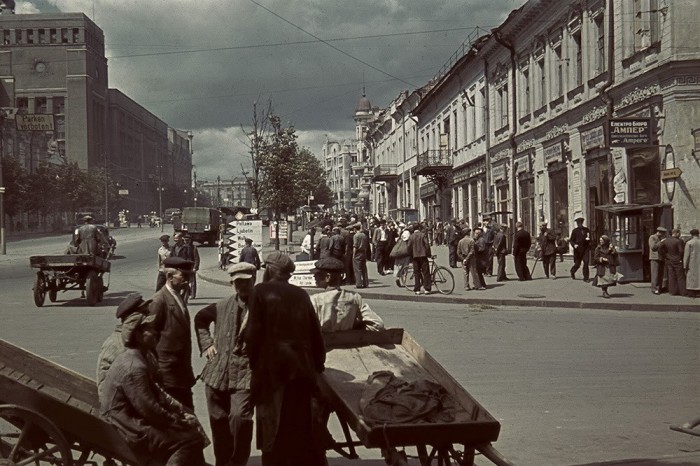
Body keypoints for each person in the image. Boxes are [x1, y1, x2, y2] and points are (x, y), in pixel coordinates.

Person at [245, 251, 327, 466]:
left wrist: (254, 364)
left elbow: (253, 333)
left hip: (271, 372)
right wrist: (317, 364)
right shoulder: (301, 294)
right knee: (297, 426)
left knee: (271, 427)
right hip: (300, 371)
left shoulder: (259, 292)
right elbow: (315, 332)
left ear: (271, 269)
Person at [100, 310, 207, 466]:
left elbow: (154, 396)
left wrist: (178, 414)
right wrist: (176, 420)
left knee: (188, 429)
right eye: (149, 329)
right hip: (127, 426)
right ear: (137, 336)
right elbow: (149, 409)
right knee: (190, 439)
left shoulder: (136, 357)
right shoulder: (134, 367)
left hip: (127, 419)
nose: (155, 332)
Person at [194, 262, 257, 466]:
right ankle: (223, 461)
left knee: (240, 418)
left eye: (246, 282)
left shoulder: (264, 307)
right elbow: (201, 319)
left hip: (246, 373)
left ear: (254, 281)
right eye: (238, 283)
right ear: (232, 284)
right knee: (218, 420)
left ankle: (238, 461)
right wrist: (207, 345)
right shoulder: (221, 306)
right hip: (217, 373)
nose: (242, 287)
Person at [148, 256, 197, 409]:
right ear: (169, 277)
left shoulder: (178, 296)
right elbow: (149, 338)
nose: (187, 280)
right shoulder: (159, 301)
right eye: (183, 276)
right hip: (167, 374)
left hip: (181, 372)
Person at [97, 293, 152, 398]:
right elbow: (104, 388)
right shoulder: (114, 345)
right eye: (145, 312)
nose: (148, 314)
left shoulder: (139, 341)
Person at [309, 257, 384, 332]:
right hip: (349, 341)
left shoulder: (315, 300)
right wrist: (355, 330)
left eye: (317, 274)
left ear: (327, 277)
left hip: (324, 343)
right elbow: (377, 324)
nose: (314, 276)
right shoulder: (355, 297)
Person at [658, 228, 686, 296]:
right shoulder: (679, 241)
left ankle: (672, 291)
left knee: (671, 276)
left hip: (669, 260)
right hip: (677, 260)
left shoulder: (666, 241)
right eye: (679, 233)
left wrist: (665, 255)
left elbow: (659, 248)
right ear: (676, 233)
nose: (680, 234)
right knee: (680, 277)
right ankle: (682, 291)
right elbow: (681, 251)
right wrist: (680, 258)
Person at [407, 222, 432, 295]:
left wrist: (410, 255)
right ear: (419, 228)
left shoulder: (411, 236)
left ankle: (417, 289)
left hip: (415, 256)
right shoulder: (423, 235)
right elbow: (427, 245)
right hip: (423, 256)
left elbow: (409, 247)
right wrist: (429, 254)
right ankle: (427, 288)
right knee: (426, 272)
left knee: (417, 273)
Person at [569, 217, 591, 281]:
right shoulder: (575, 231)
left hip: (585, 249)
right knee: (577, 264)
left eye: (580, 223)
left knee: (586, 263)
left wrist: (589, 240)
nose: (579, 224)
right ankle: (572, 271)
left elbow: (590, 237)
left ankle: (586, 278)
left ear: (582, 223)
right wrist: (574, 245)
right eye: (578, 223)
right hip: (577, 250)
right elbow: (571, 240)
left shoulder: (586, 230)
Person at [649, 226, 667, 294]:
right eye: (662, 233)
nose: (663, 235)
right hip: (654, 258)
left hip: (661, 258)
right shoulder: (652, 237)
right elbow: (653, 247)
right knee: (655, 274)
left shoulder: (660, 238)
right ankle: (654, 288)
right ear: (659, 232)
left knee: (660, 274)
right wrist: (661, 242)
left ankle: (659, 287)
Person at [352, 223, 370, 288]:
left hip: (358, 253)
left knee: (357, 269)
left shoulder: (356, 236)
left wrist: (353, 255)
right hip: (363, 252)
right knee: (364, 268)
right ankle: (366, 283)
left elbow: (355, 246)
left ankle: (359, 284)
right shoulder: (364, 235)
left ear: (355, 229)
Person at [684, 228, 700, 298]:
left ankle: (692, 293)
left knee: (691, 277)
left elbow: (686, 255)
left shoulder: (689, 243)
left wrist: (685, 265)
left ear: (691, 235)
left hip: (692, 262)